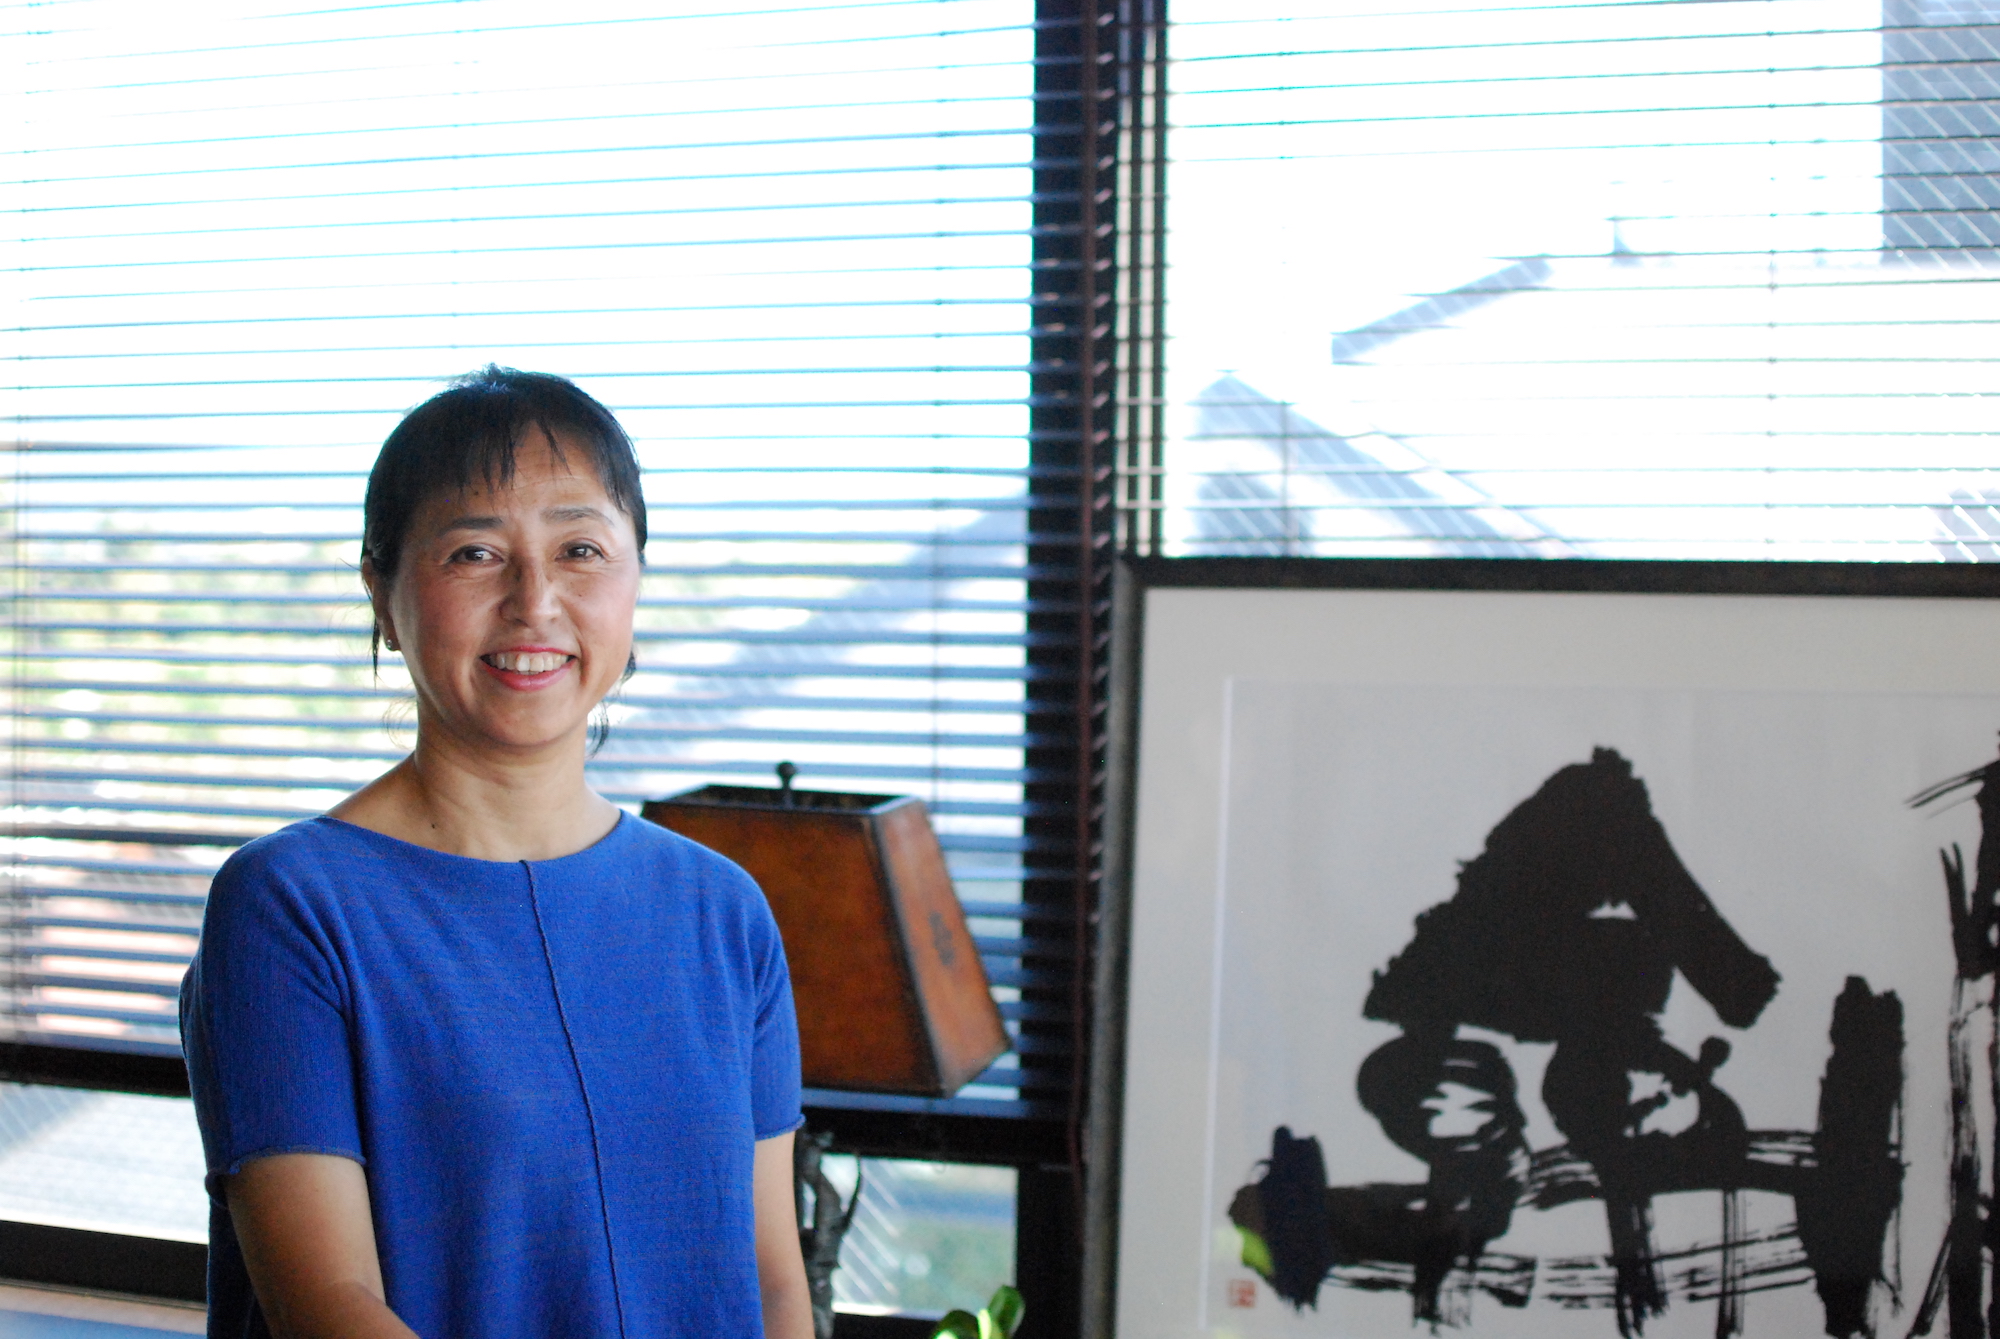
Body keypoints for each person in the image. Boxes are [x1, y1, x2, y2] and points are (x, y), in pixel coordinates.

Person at [181, 367, 814, 1339]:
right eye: (475, 551)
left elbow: (770, 1282)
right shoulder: (292, 903)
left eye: (580, 550)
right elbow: (326, 1303)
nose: (535, 600)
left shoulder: (720, 910)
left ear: (636, 581)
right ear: (381, 595)